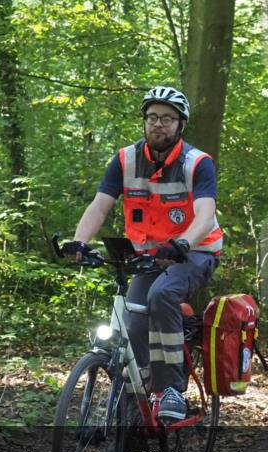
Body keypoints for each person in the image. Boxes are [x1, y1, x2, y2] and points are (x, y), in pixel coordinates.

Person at [62, 86, 222, 421]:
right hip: (149, 255)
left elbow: (205, 215)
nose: (158, 124)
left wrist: (183, 243)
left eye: (167, 118)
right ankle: (136, 408)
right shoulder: (125, 160)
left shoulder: (197, 164)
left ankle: (170, 390)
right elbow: (100, 206)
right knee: (130, 322)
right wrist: (79, 241)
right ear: (144, 122)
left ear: (181, 125)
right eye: (152, 117)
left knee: (162, 294)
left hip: (195, 251)